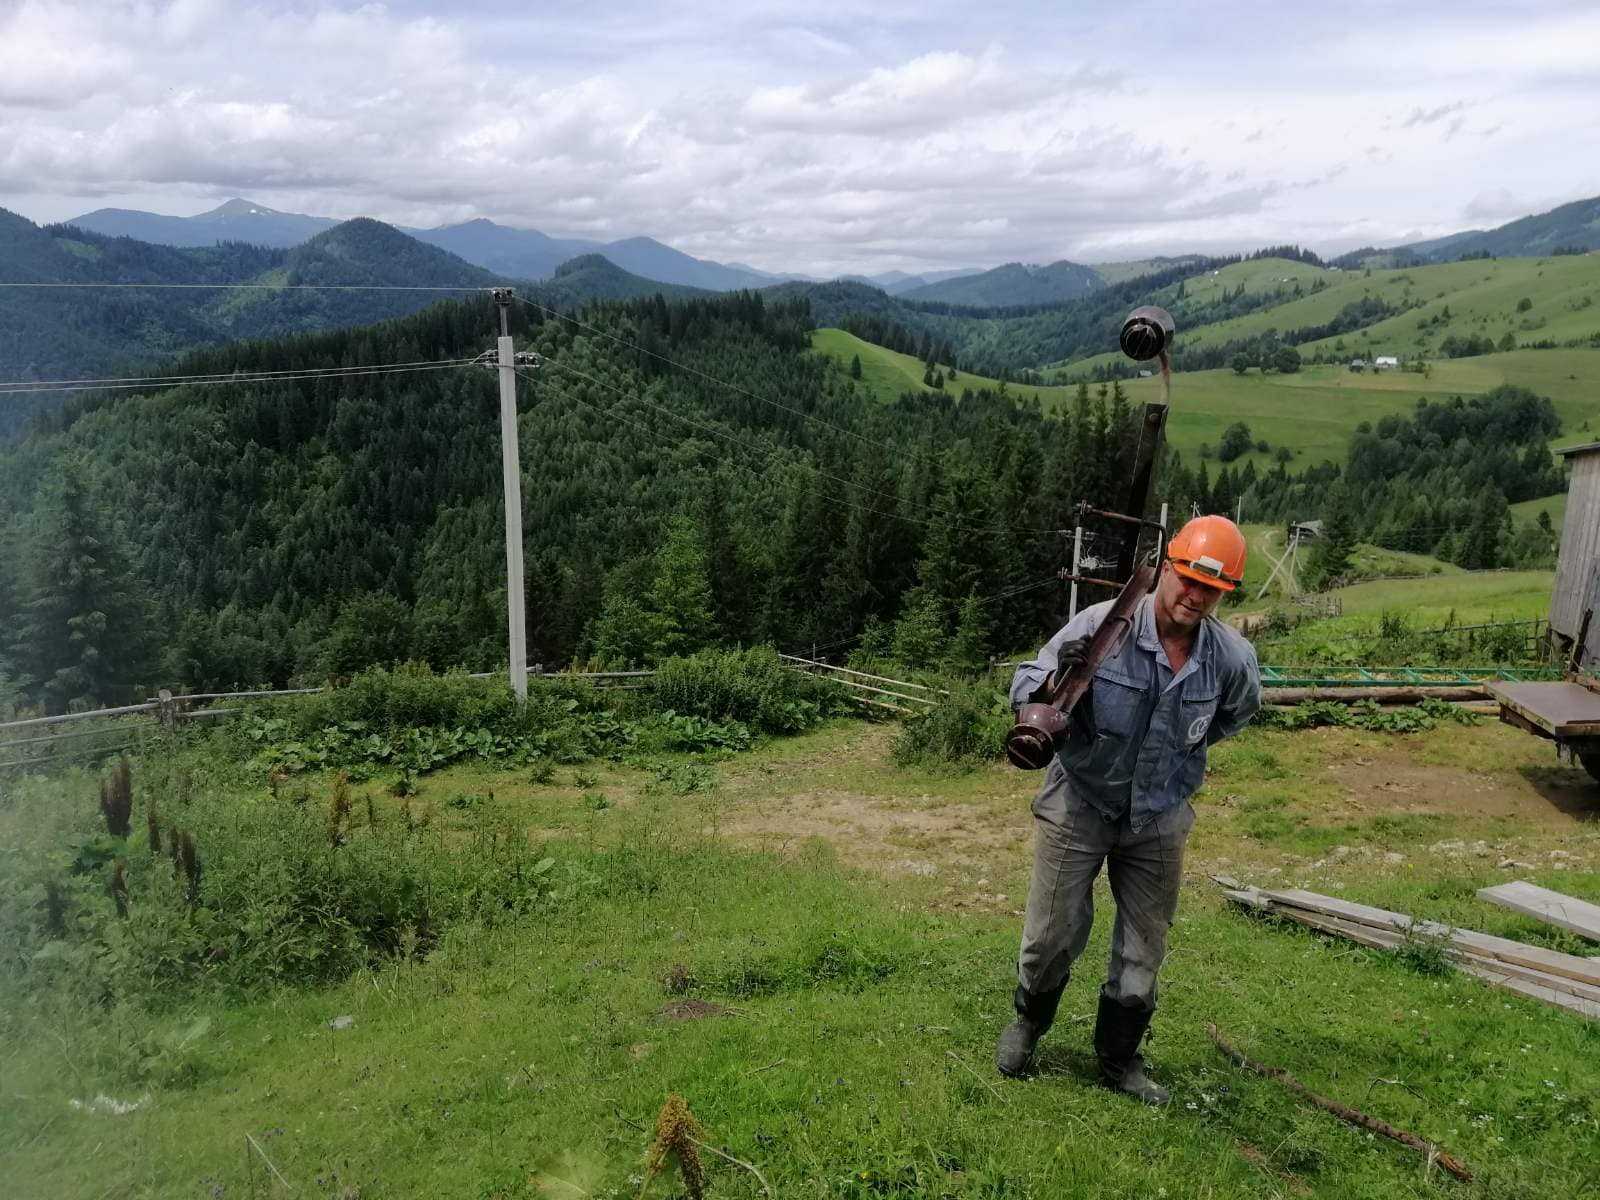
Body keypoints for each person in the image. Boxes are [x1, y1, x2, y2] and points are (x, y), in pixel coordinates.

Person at [995, 515, 1261, 1102]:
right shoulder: (1101, 626)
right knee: (1053, 932)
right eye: (1188, 578)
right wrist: (1050, 685)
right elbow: (1025, 690)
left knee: (1145, 943)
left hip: (1160, 814)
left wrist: (1178, 755)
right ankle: (1028, 1024)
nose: (1195, 595)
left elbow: (1234, 715)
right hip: (1081, 801)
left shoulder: (1230, 659)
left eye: (1210, 589)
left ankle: (1119, 1060)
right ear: (1168, 567)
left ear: (1223, 594)